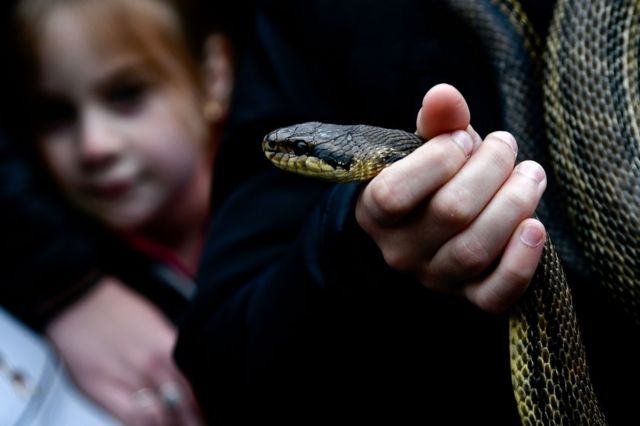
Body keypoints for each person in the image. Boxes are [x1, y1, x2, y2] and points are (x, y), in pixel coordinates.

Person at [175, 1, 640, 424]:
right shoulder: (311, 26)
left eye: (302, 150)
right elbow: (227, 357)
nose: (287, 152)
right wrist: (357, 236)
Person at [6, 0, 234, 424]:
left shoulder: (286, 211)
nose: (94, 145)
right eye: (58, 115)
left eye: (126, 94)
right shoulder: (64, 261)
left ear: (214, 75)